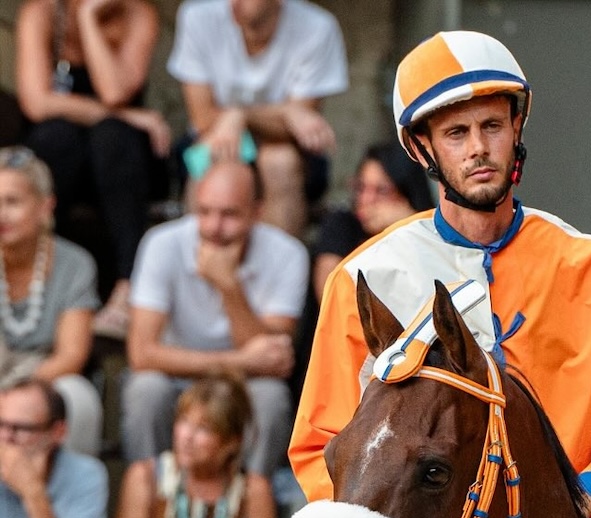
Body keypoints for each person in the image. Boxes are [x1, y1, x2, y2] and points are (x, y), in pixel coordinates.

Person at [289, 30, 591, 518]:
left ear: (515, 130)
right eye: (456, 132)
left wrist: (576, 506)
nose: (478, 148)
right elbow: (322, 441)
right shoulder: (364, 276)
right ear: (423, 149)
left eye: (492, 126)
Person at [123, 160, 308, 480]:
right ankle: (148, 495)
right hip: (176, 376)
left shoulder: (287, 254)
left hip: (242, 383)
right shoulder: (162, 243)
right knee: (145, 391)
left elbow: (275, 360)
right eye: (204, 212)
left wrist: (228, 285)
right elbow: (141, 354)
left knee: (271, 397)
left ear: (257, 212)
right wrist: (240, 360)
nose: (213, 227)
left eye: (229, 215)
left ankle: (253, 502)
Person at [15, 0, 171, 338]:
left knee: (112, 137)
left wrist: (87, 17)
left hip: (124, 164)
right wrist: (125, 116)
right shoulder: (40, 13)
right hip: (66, 162)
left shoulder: (137, 14)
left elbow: (115, 91)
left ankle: (127, 288)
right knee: (57, 137)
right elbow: (37, 103)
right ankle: (38, 281)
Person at [167, 0, 349, 238]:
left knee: (280, 161)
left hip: (289, 153)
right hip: (215, 143)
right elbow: (203, 120)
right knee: (209, 152)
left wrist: (240, 115)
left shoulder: (317, 27)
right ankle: (201, 267)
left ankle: (280, 272)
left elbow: (301, 129)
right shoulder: (198, 16)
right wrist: (284, 112)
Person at [110, 374, 279, 518]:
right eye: (184, 421)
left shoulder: (253, 490)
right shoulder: (146, 477)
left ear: (232, 442)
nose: (187, 436)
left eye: (204, 429)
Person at [0, 146, 103, 457]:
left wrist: (16, 393)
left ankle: (71, 499)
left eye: (12, 202)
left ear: (46, 207)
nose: (1, 214)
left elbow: (72, 355)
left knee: (79, 398)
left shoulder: (75, 263)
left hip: (47, 378)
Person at [0, 378, 109, 518]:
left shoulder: (86, 475)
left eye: (20, 429)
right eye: (0, 425)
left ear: (57, 432)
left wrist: (34, 493)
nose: (6, 438)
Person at [311, 141, 435, 301]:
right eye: (361, 187)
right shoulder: (342, 223)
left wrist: (406, 224)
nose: (366, 199)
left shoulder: (424, 230)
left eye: (382, 191)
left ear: (407, 194)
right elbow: (330, 296)